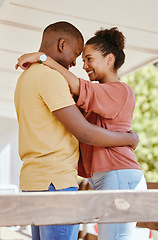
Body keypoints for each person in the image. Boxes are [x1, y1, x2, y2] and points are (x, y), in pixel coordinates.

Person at [15, 22, 140, 240]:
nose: (79, 64)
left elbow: (78, 89)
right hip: (67, 178)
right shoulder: (53, 80)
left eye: (88, 58)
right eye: (79, 57)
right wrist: (129, 138)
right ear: (62, 44)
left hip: (115, 171)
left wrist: (44, 59)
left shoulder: (118, 90)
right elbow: (83, 129)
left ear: (109, 59)